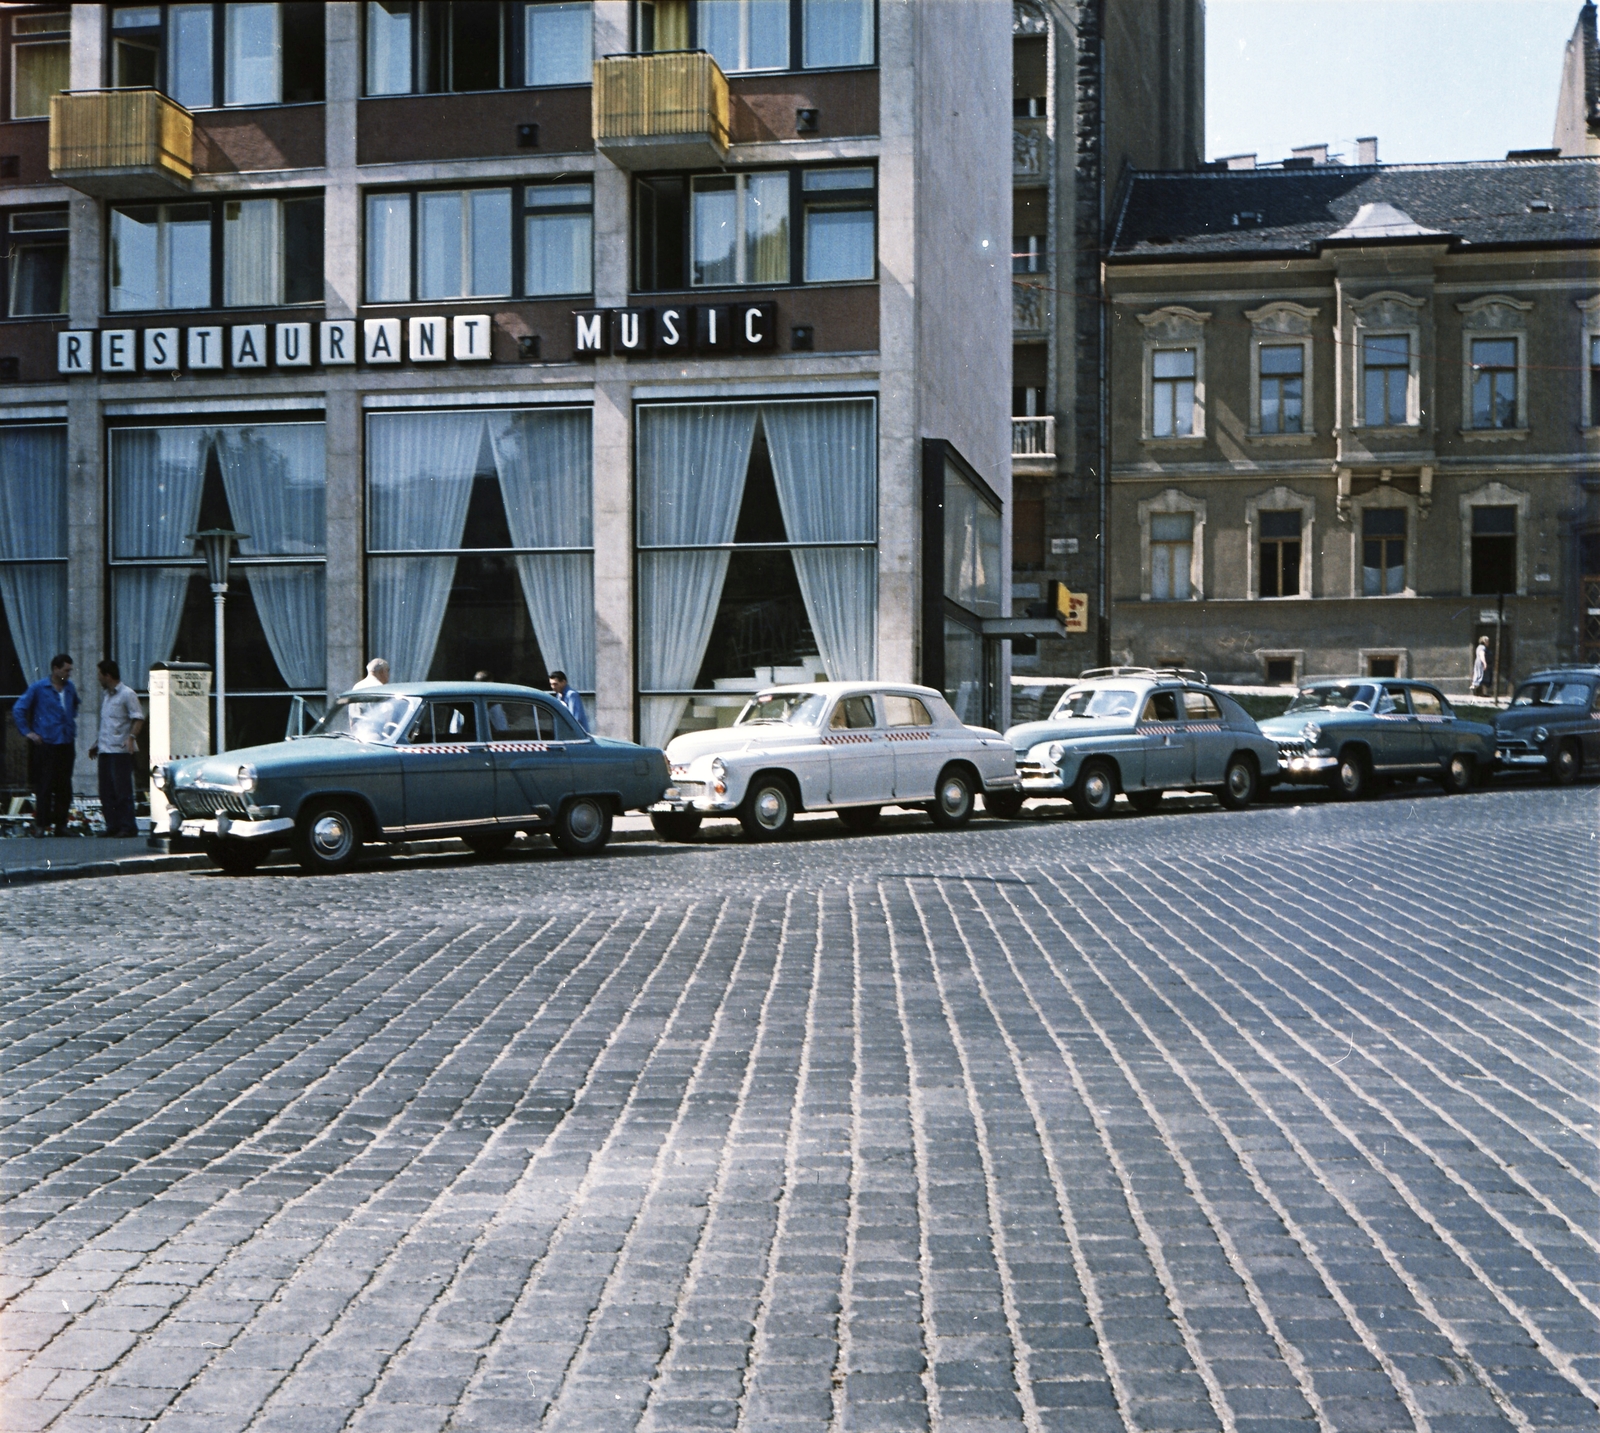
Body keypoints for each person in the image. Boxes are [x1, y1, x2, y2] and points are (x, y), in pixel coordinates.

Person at [13, 654, 79, 837]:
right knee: (45, 785)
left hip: (65, 741)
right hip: (47, 742)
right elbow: (19, 708)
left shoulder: (70, 688)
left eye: (70, 670)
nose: (69, 673)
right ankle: (41, 824)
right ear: (55, 669)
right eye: (66, 670)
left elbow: (74, 707)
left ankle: (61, 825)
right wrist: (29, 732)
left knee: (64, 785)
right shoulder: (39, 688)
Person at [88, 659, 144, 837]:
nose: (98, 679)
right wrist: (96, 744)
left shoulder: (127, 694)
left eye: (99, 675)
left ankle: (128, 826)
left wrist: (131, 737)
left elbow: (138, 718)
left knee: (122, 790)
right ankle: (112, 825)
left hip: (119, 750)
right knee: (106, 791)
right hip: (105, 749)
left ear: (108, 675)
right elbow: (109, 724)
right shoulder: (107, 696)